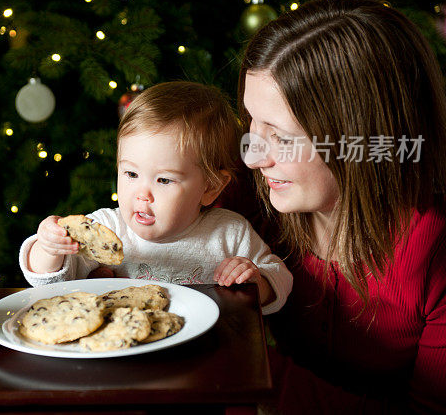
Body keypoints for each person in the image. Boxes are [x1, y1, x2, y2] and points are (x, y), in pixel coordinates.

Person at [239, 0, 446, 413]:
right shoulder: (252, 201)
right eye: (253, 123)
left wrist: (255, 375)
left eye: (283, 138)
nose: (253, 157)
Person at [18, 81, 293, 315]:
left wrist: (256, 280)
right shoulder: (107, 227)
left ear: (210, 187)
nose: (142, 193)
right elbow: (51, 281)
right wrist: (48, 247)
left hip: (204, 359)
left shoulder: (229, 234)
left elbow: (281, 280)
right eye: (131, 174)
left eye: (163, 180)